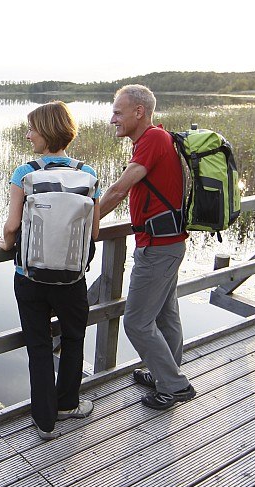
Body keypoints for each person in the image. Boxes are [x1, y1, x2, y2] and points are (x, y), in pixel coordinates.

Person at [0, 101, 101, 440]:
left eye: (31, 130)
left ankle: (44, 421)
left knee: (38, 346)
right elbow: (94, 232)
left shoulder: (24, 173)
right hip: (72, 278)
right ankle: (68, 404)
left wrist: (5, 243)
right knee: (73, 339)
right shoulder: (88, 174)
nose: (28, 136)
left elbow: (12, 227)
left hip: (31, 278)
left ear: (47, 131)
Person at [98, 84, 197, 410]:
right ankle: (164, 374)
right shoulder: (156, 139)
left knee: (137, 322)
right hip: (166, 244)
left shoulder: (153, 139)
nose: (113, 119)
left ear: (138, 112)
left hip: (158, 248)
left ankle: (174, 385)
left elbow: (118, 190)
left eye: (117, 112)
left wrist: (85, 224)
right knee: (166, 316)